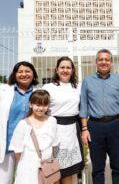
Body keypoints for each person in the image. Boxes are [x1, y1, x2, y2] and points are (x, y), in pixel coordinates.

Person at [80, 49, 119, 184]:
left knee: (117, 165)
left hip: (116, 125)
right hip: (94, 127)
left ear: (111, 62)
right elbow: (84, 106)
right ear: (96, 62)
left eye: (107, 59)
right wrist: (84, 129)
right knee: (97, 167)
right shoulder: (87, 81)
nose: (104, 62)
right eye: (101, 59)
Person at [0, 61, 39, 184]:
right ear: (14, 75)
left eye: (27, 71)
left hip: (29, 148)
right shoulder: (3, 91)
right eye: (20, 71)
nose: (24, 74)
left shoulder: (39, 92)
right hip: (6, 148)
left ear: (33, 74)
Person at [43, 56, 84, 184]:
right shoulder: (48, 87)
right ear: (57, 70)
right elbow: (41, 108)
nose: (65, 70)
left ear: (72, 70)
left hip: (72, 131)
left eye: (68, 68)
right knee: (54, 172)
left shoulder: (78, 86)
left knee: (69, 173)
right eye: (62, 67)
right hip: (54, 130)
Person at [9, 90, 59, 184]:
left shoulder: (52, 121)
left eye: (44, 105)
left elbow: (54, 144)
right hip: (27, 171)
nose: (41, 108)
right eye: (37, 105)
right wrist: (28, 163)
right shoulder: (23, 124)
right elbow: (17, 151)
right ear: (30, 104)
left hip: (46, 170)